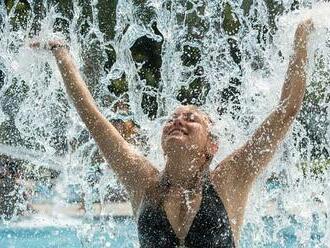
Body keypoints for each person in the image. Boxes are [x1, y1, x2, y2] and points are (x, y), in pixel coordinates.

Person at [30, 19, 314, 247]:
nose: (178, 121)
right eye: (172, 119)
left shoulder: (230, 179)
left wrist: (302, 31)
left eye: (190, 119)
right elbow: (94, 120)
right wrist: (62, 54)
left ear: (211, 146)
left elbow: (286, 111)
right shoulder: (143, 181)